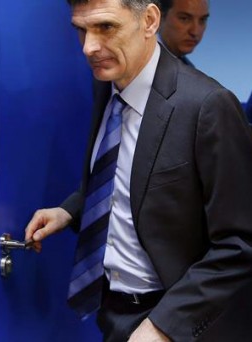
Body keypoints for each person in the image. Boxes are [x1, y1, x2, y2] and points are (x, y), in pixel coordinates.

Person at [24, 0, 252, 341]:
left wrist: (164, 325)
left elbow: (240, 241)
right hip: (114, 313)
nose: (89, 47)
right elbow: (125, 176)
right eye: (81, 30)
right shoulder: (107, 83)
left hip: (177, 322)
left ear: (148, 20)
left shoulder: (208, 106)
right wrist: (70, 211)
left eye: (105, 27)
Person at [158, 0, 209, 66]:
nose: (195, 32)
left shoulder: (189, 68)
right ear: (159, 17)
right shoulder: (143, 62)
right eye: (184, 19)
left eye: (202, 20)